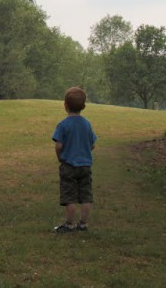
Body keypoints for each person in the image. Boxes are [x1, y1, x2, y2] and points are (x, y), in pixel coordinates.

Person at [52, 87, 97, 233]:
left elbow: (59, 146)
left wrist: (60, 158)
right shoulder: (87, 124)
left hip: (69, 166)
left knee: (70, 196)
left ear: (65, 105)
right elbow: (93, 144)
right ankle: (83, 224)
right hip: (85, 166)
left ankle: (69, 224)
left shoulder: (63, 125)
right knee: (85, 196)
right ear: (83, 107)